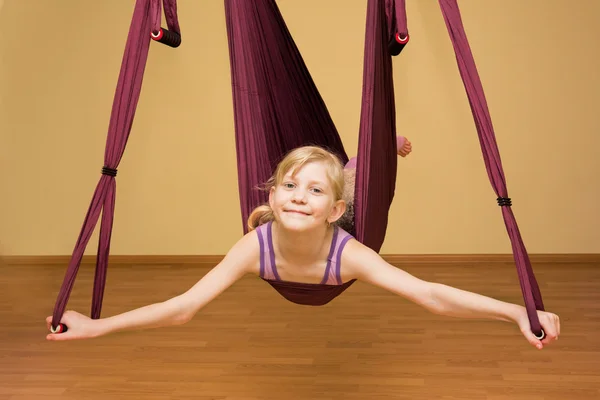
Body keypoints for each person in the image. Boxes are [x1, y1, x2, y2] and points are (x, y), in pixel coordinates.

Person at [45, 143, 560, 350]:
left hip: (340, 233)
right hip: (302, 232)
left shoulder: (351, 252)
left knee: (358, 173)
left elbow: (429, 294)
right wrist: (96, 328)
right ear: (271, 194)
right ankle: (361, 157)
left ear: (336, 212)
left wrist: (514, 312)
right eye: (288, 186)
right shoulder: (255, 244)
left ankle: (379, 149)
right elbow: (182, 309)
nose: (297, 197)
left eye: (313, 191)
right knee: (344, 171)